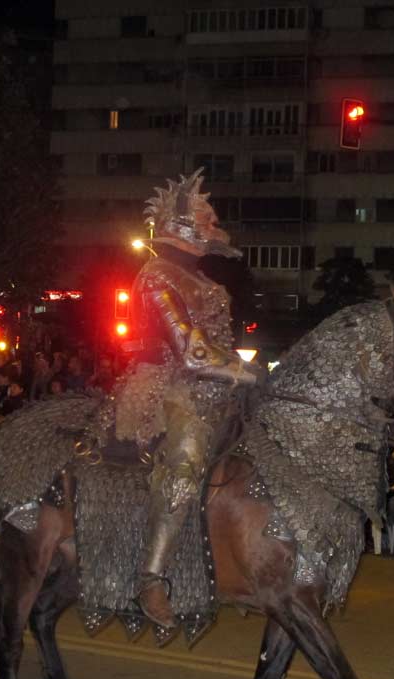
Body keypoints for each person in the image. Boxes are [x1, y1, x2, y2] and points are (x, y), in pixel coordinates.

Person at [106, 169, 262, 628]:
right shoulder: (157, 275)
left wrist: (243, 372)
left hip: (216, 386)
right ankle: (150, 578)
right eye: (207, 218)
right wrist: (246, 371)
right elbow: (191, 352)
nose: (215, 224)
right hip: (169, 387)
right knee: (186, 460)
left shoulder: (204, 279)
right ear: (182, 226)